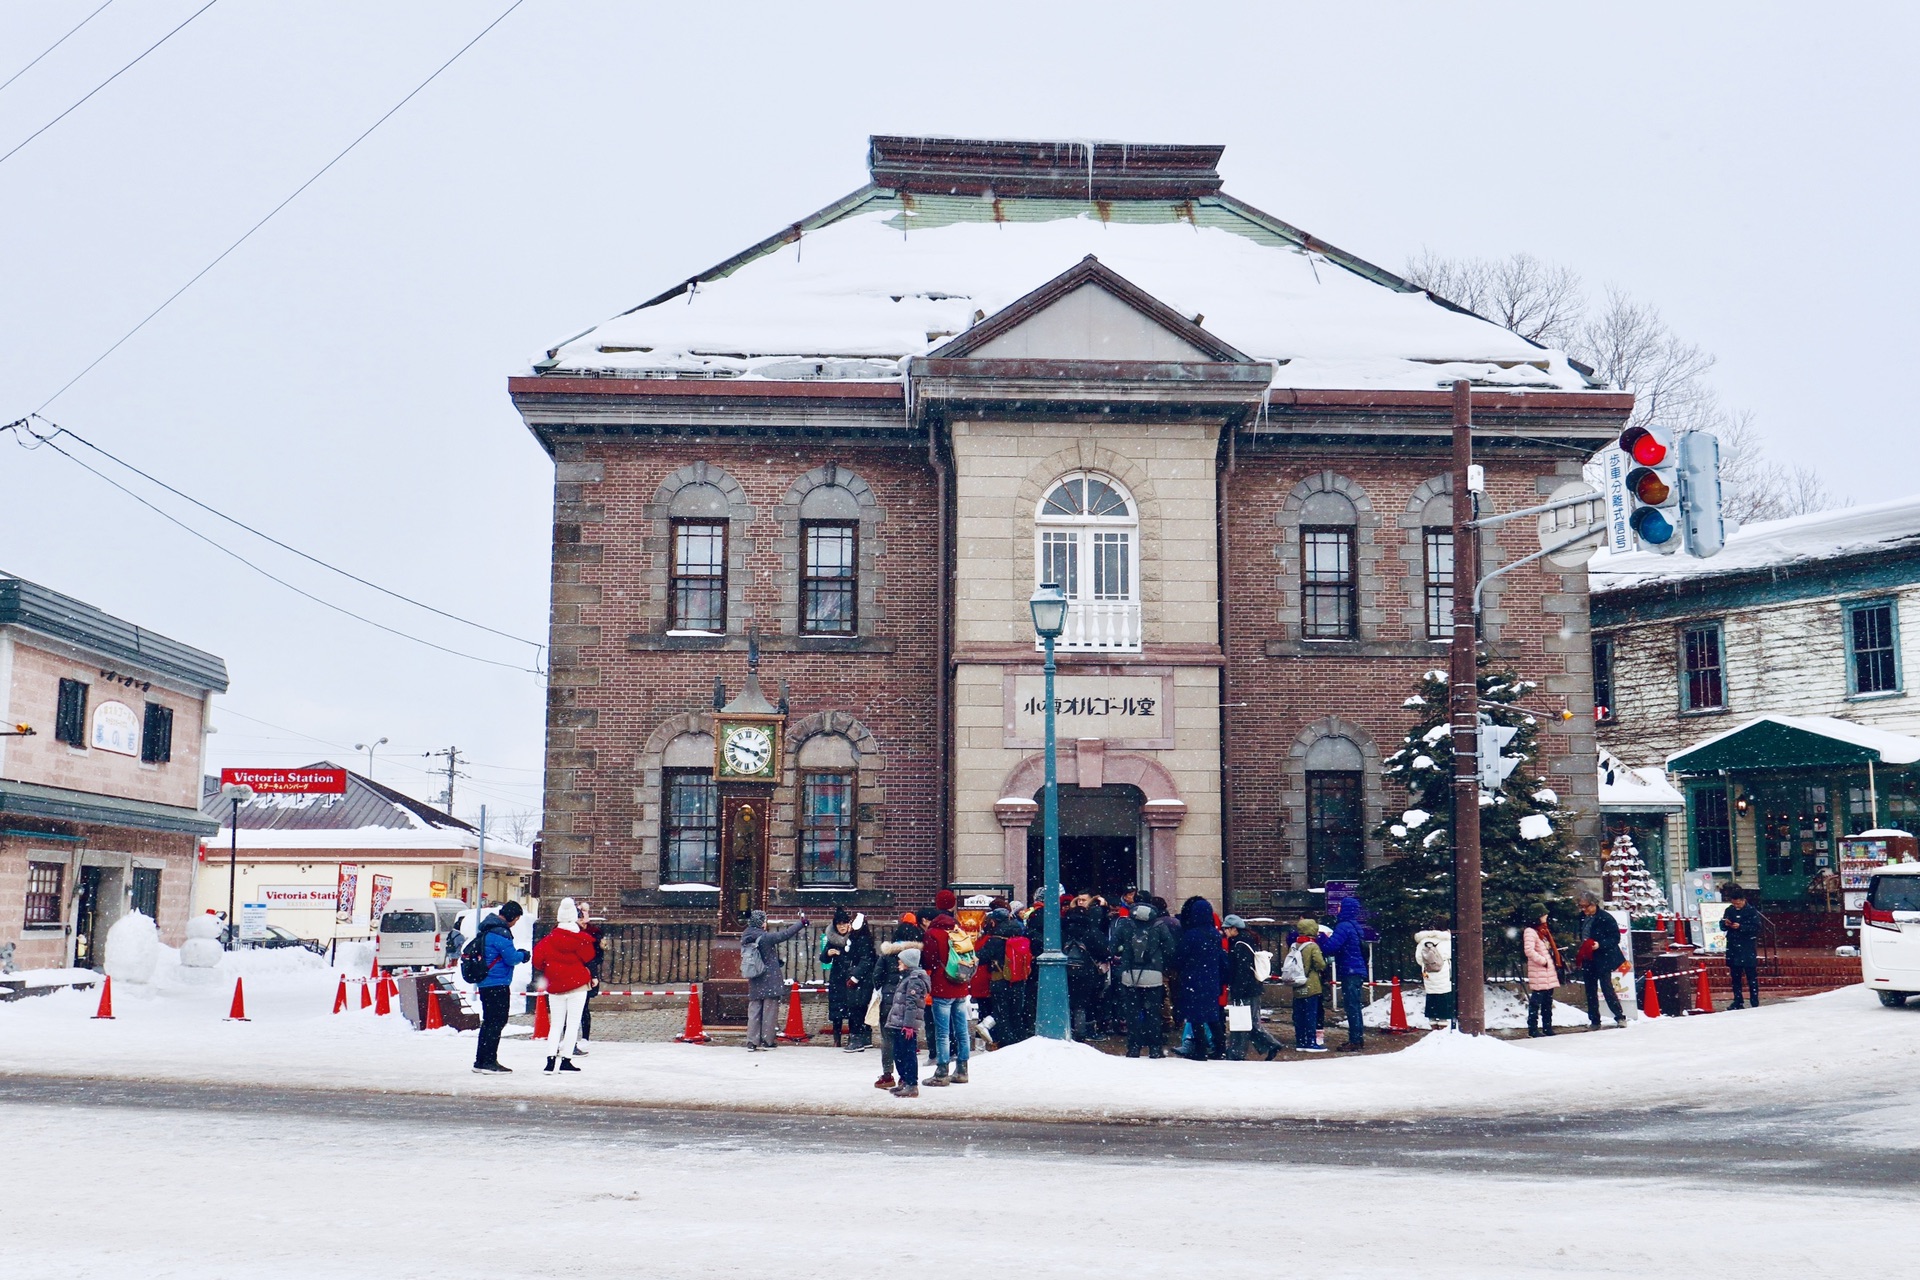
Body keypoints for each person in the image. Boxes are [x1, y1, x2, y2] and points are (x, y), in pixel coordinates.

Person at [530, 897, 597, 1073]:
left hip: (555, 987)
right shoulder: (582, 939)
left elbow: (537, 961)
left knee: (556, 1025)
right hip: (577, 985)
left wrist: (551, 967)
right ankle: (566, 1059)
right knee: (573, 1023)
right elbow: (589, 957)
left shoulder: (547, 940)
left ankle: (550, 1061)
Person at [1110, 897, 1175, 1057]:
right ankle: (1155, 1048)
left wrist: (1123, 955)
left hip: (1129, 975)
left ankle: (1133, 1048)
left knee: (1132, 1013)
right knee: (1153, 1013)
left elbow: (1112, 947)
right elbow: (1170, 950)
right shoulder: (1159, 926)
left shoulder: (1126, 925)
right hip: (1153, 975)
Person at [920, 891, 973, 1085]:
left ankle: (942, 1072)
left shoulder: (933, 933)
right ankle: (962, 1069)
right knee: (961, 1030)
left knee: (942, 1032)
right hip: (960, 983)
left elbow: (929, 961)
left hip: (942, 986)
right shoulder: (958, 929)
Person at [471, 900, 527, 1074]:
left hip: (486, 982)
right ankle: (489, 1061)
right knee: (497, 1021)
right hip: (498, 983)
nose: (515, 923)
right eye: (516, 919)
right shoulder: (500, 933)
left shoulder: (487, 930)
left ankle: (480, 1060)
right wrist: (523, 955)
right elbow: (511, 957)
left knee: (488, 1022)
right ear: (512, 917)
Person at [740, 908, 809, 1051]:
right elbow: (784, 934)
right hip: (769, 978)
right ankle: (767, 1040)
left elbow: (759, 955)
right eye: (764, 920)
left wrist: (775, 960)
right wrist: (801, 923)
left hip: (755, 977)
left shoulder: (745, 936)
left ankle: (752, 1041)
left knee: (754, 1010)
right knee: (769, 1011)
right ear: (761, 923)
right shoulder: (765, 937)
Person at [870, 915, 922, 1088]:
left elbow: (876, 976)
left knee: (887, 1039)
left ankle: (887, 1074)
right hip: (909, 1005)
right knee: (906, 1043)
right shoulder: (917, 956)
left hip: (888, 1001)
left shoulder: (887, 955)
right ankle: (905, 1076)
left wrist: (885, 988)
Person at [1174, 897, 1227, 1061]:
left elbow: (1181, 957)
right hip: (1211, 980)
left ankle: (1200, 1049)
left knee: (1195, 1017)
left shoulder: (1191, 935)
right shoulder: (1215, 935)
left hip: (1194, 979)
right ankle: (1220, 1047)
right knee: (1212, 1017)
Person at [1224, 916, 1282, 1061]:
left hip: (1245, 989)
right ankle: (1267, 1045)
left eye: (1226, 928)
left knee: (1243, 1022)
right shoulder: (1246, 940)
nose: (1224, 931)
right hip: (1251, 988)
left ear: (1234, 928)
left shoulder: (1240, 944)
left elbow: (1241, 970)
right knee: (1248, 1021)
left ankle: (1238, 1052)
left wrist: (1237, 989)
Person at [1319, 896, 1369, 1052]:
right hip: (1356, 969)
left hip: (1350, 970)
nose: (1338, 909)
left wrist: (1321, 941)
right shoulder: (1355, 926)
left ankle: (1355, 1040)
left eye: (1340, 906)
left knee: (1352, 1006)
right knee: (1355, 1005)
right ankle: (1357, 1038)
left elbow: (1331, 947)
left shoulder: (1343, 927)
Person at [978, 907, 1032, 1046]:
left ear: (995, 922)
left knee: (1002, 1013)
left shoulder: (995, 939)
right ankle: (1019, 1040)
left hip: (1000, 980)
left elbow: (981, 958)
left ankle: (1007, 1043)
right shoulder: (1020, 935)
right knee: (1016, 1013)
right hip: (1018, 980)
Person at [820, 909, 873, 1048]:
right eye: (839, 924)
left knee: (853, 1008)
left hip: (851, 978)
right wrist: (828, 953)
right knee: (836, 1010)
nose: (842, 927)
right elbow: (823, 958)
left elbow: (861, 957)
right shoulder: (833, 939)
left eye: (844, 923)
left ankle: (854, 1037)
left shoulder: (855, 937)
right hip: (837, 977)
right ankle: (837, 1038)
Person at [1576, 893, 1627, 1028]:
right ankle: (1594, 1020)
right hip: (1587, 957)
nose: (1583, 910)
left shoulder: (1605, 918)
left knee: (1606, 987)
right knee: (1590, 990)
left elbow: (1615, 938)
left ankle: (1620, 1016)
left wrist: (1600, 944)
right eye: (1581, 907)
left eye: (1586, 907)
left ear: (1594, 905)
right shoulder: (1581, 918)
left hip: (1603, 958)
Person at [885, 945, 931, 1098]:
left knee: (907, 1053)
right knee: (899, 1052)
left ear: (908, 963)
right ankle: (905, 1080)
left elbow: (911, 1004)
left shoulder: (914, 980)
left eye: (900, 961)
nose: (898, 964)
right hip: (900, 1023)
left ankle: (911, 1083)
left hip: (905, 1025)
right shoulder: (907, 978)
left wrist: (908, 1025)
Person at [1285, 918, 1328, 1052]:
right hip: (1311, 984)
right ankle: (1310, 1042)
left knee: (1299, 1015)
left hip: (1297, 983)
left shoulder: (1294, 945)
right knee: (1311, 1014)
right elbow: (1320, 964)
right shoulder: (1312, 946)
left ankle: (1300, 1041)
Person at [1522, 906, 1564, 1037]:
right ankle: (1533, 1028)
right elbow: (1529, 950)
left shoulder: (1543, 931)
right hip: (1540, 970)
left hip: (1547, 971)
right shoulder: (1530, 931)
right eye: (1544, 914)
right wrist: (1543, 961)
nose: (1546, 917)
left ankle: (1547, 1027)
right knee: (1536, 1001)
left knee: (1547, 1001)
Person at [1722, 887, 1764, 1008]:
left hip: (1747, 946)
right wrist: (1726, 924)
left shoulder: (1751, 911)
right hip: (1733, 946)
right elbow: (1722, 924)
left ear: (1743, 900)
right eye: (1734, 903)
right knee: (1735, 977)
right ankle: (1738, 1000)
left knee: (1751, 976)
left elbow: (1756, 927)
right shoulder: (1729, 910)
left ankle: (1754, 1000)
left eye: (1738, 903)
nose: (1736, 905)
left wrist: (1741, 927)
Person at [575, 900, 602, 1053]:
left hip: (584, 975)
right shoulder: (579, 935)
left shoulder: (592, 934)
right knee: (577, 1009)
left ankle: (584, 1037)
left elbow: (594, 957)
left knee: (583, 1008)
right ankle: (570, 1041)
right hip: (579, 975)